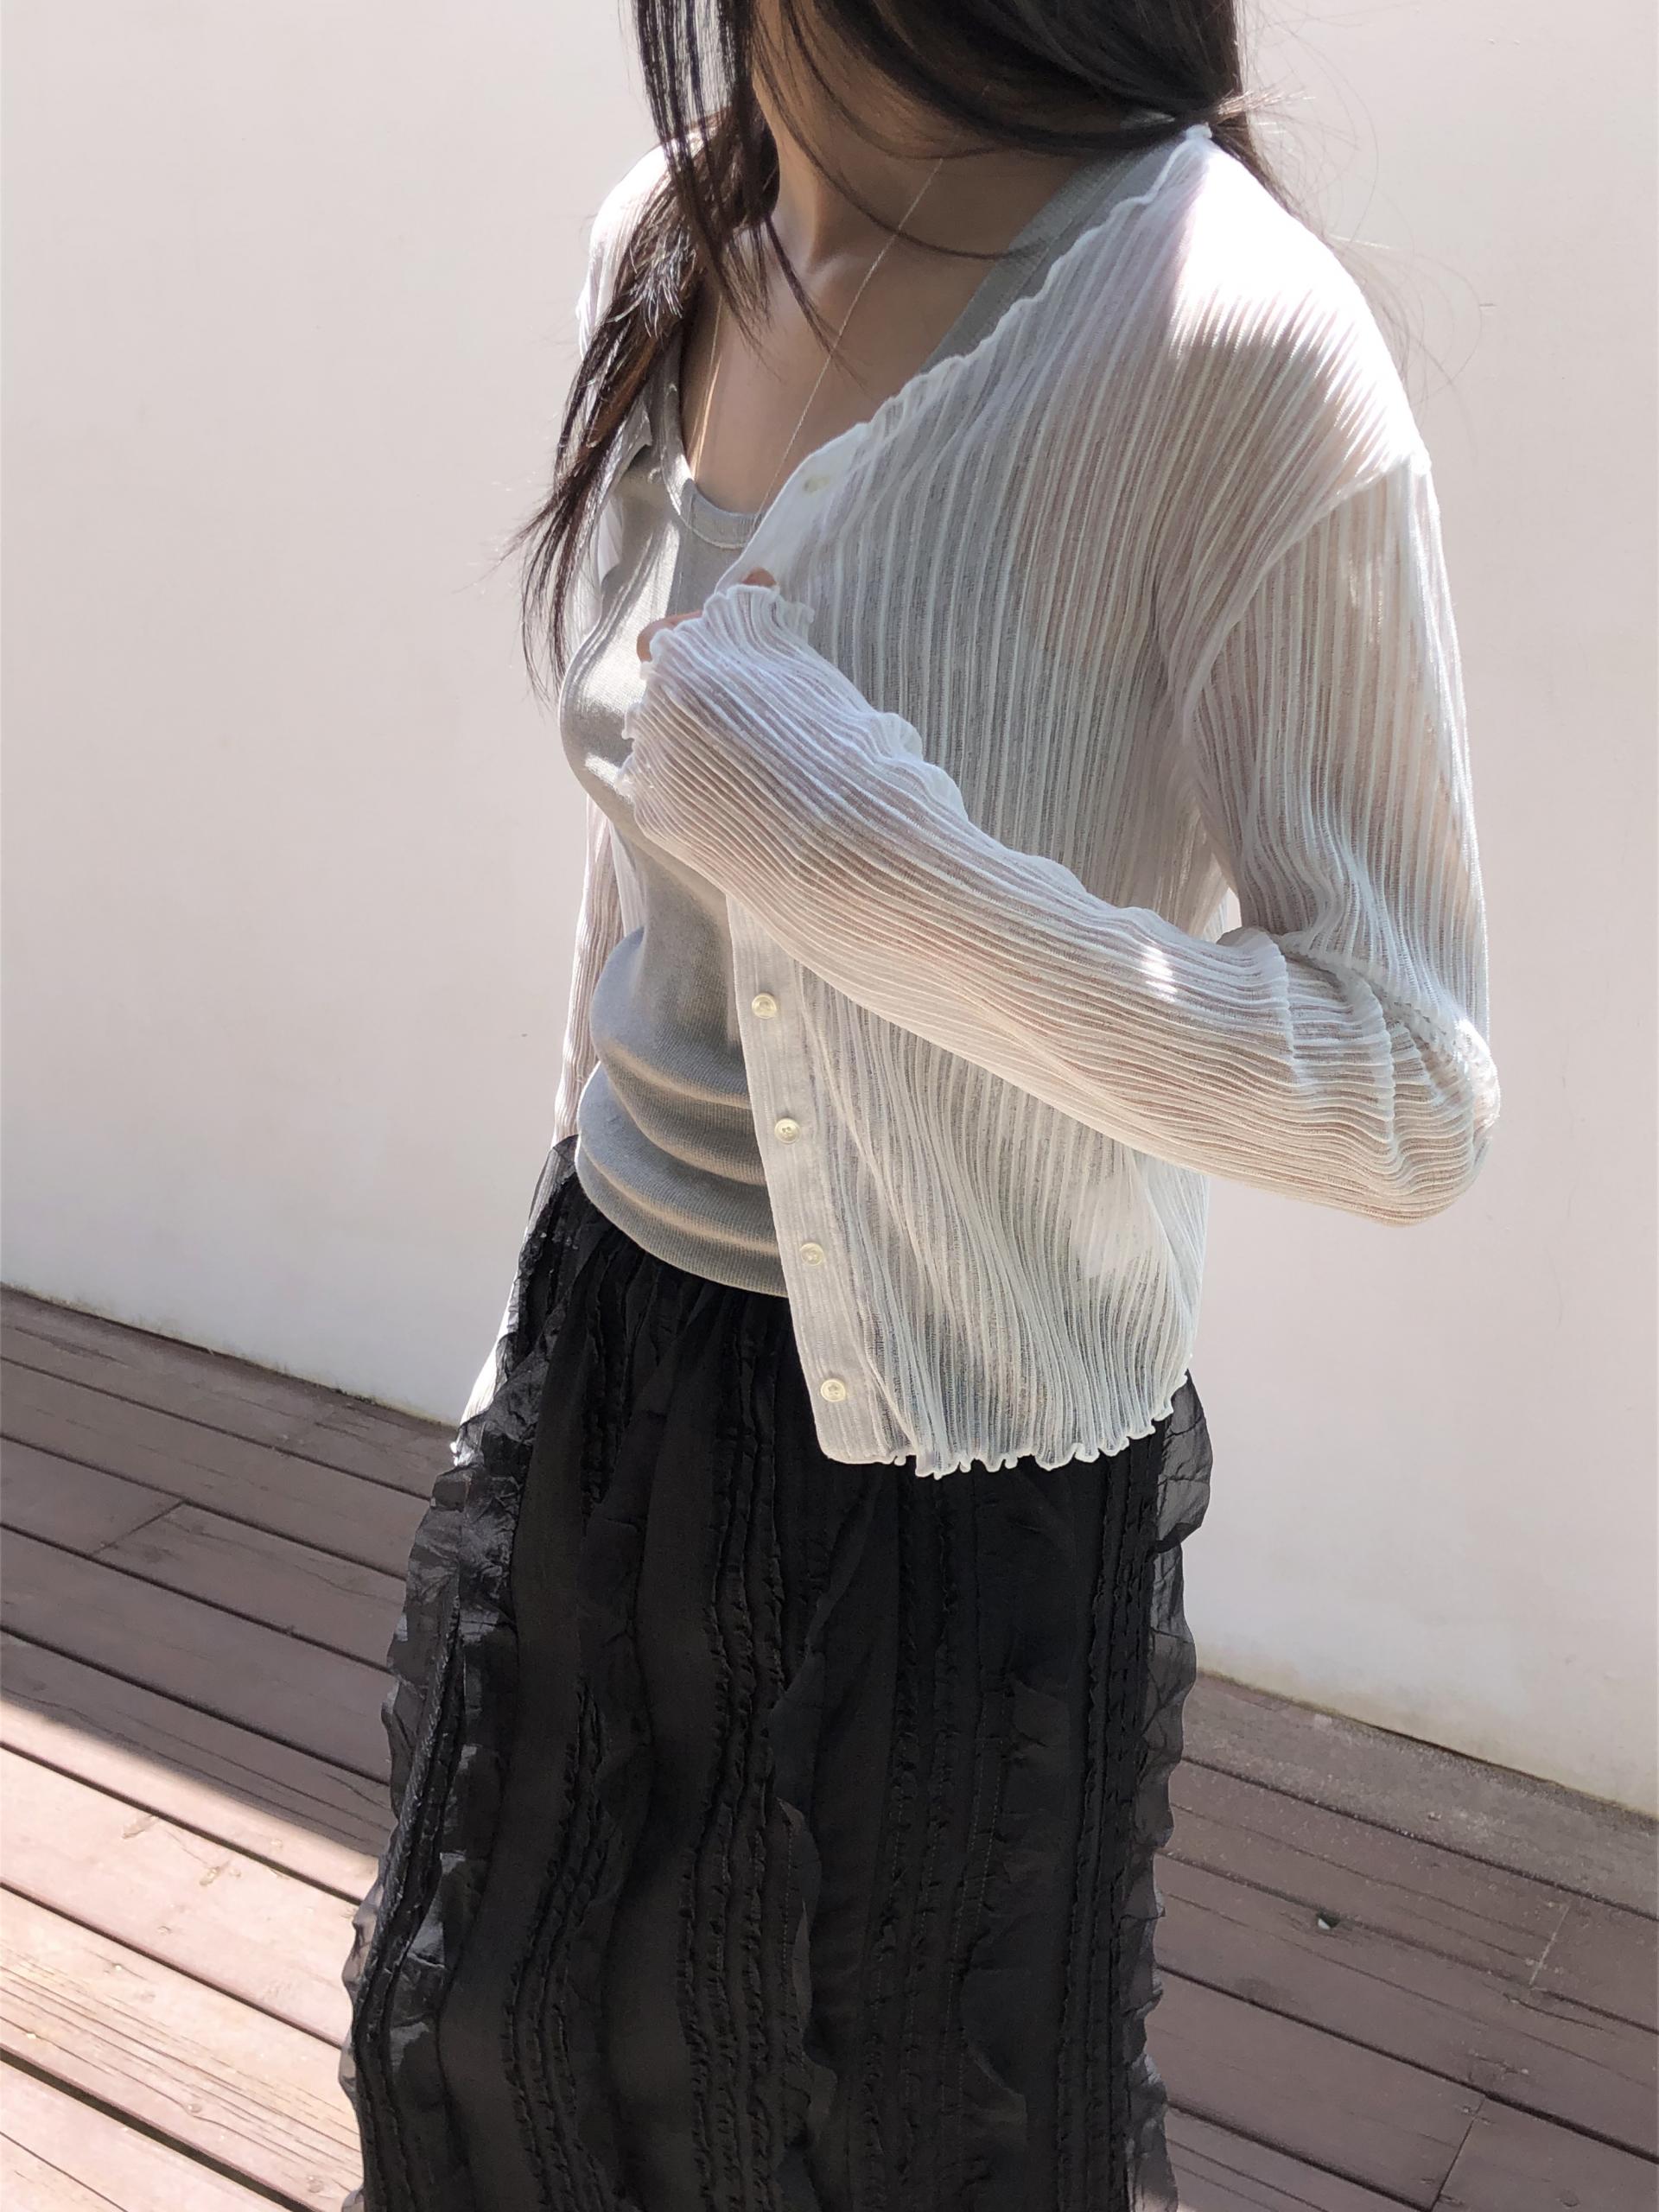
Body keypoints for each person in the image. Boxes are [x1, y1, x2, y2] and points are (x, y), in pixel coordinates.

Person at [337, 1, 1500, 2207]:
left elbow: (1408, 1083)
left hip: (965, 1468)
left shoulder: (1235, 342)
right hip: (607, 1366)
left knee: (897, 2137)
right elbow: (651, 865)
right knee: (492, 2058)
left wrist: (880, 868)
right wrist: (533, 1318)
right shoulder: (673, 237)